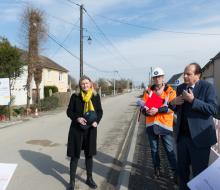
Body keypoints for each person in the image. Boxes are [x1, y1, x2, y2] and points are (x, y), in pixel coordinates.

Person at [169, 63, 218, 190]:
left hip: (199, 140)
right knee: (182, 172)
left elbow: (213, 109)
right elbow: (175, 108)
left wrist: (193, 101)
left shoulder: (207, 87)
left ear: (197, 75)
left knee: (199, 174)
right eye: (184, 73)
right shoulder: (180, 88)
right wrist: (173, 103)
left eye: (188, 74)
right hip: (183, 138)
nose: (185, 76)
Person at [66, 75, 103, 190]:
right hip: (77, 130)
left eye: (87, 83)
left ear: (91, 84)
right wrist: (77, 118)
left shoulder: (95, 96)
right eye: (83, 84)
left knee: (89, 155)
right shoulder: (75, 96)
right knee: (75, 155)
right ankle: (72, 181)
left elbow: (100, 111)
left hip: (90, 130)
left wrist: (96, 121)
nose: (85, 85)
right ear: (80, 85)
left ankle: (89, 178)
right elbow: (69, 111)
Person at [142, 67, 177, 181]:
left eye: (159, 77)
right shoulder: (148, 91)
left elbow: (173, 108)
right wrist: (146, 111)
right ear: (153, 79)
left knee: (169, 150)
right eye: (155, 77)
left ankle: (175, 172)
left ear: (163, 78)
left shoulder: (170, 91)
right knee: (154, 150)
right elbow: (143, 107)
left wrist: (157, 110)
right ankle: (157, 169)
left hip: (164, 125)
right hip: (151, 125)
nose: (157, 79)